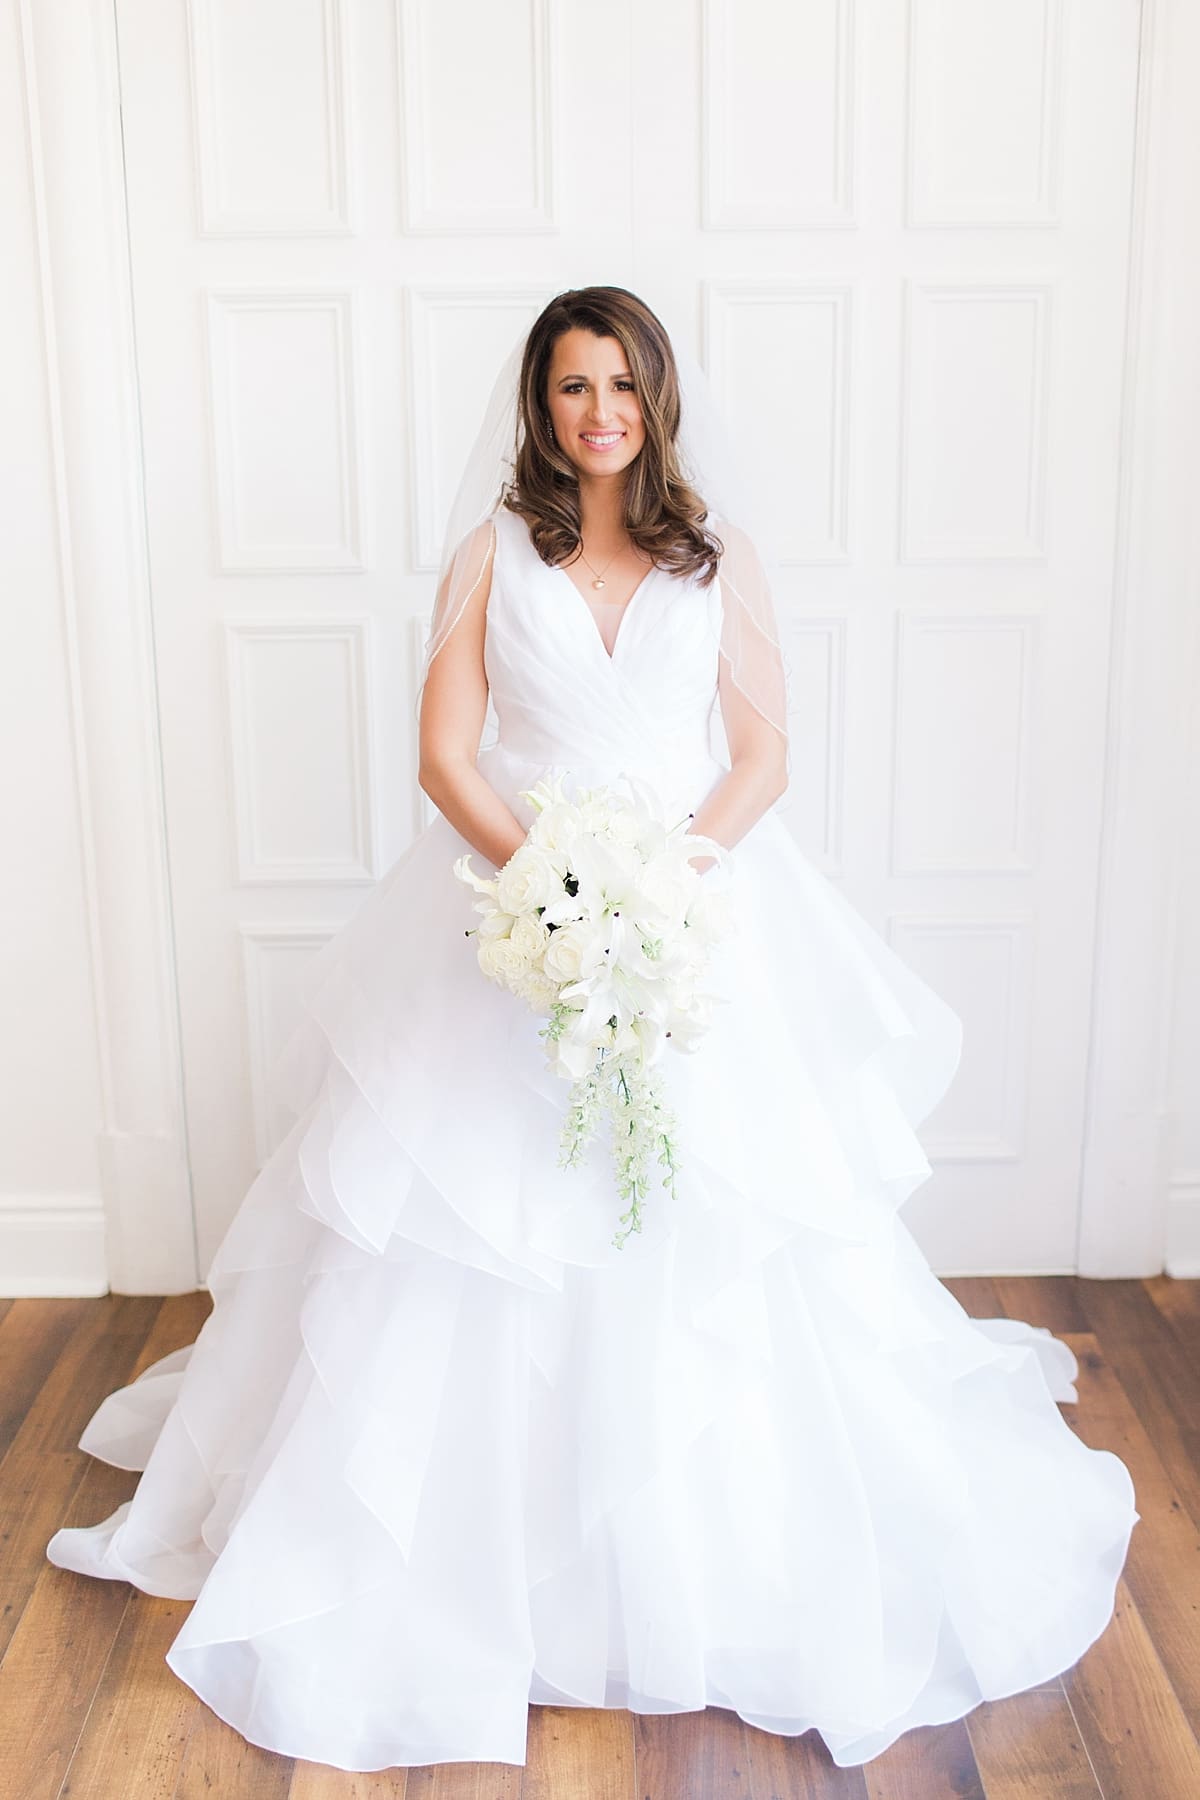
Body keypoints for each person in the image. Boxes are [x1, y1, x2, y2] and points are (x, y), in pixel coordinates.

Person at [45, 285, 1138, 1774]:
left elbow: (763, 751)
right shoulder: (488, 557)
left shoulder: (717, 557)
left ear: (656, 398)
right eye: (571, 386)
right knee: (468, 1237)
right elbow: (444, 753)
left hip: (692, 911)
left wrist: (667, 883)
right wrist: (552, 887)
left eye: (620, 385)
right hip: (516, 905)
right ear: (539, 406)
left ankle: (703, 1547)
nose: (598, 412)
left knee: (726, 1234)